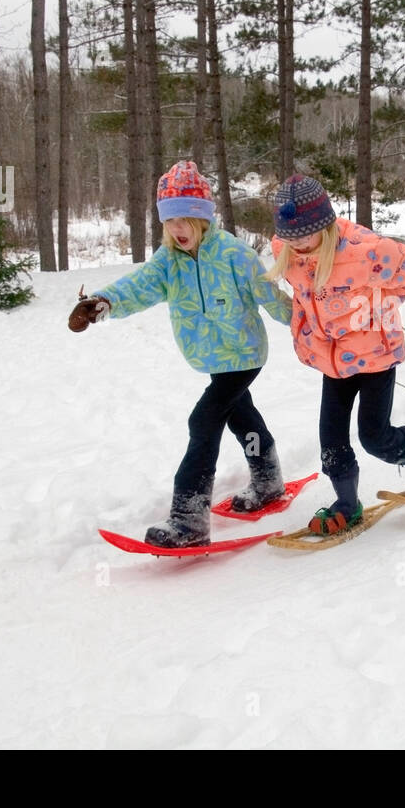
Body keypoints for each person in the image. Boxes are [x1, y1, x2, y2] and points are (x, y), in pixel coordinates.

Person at [69, 161, 293, 547]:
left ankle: (189, 521)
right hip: (210, 358)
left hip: (243, 355)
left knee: (203, 422)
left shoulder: (235, 255)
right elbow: (138, 285)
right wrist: (104, 302)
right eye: (170, 220)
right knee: (242, 418)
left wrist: (315, 326)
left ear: (204, 217)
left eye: (186, 218)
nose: (178, 229)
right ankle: (268, 481)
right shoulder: (168, 259)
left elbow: (271, 297)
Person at [265, 174, 405, 535]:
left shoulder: (365, 250)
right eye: (289, 235)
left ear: (324, 224)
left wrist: (380, 306)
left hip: (375, 356)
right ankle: (347, 502)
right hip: (332, 362)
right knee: (331, 441)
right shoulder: (283, 249)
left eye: (303, 234)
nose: (296, 243)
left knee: (375, 438)